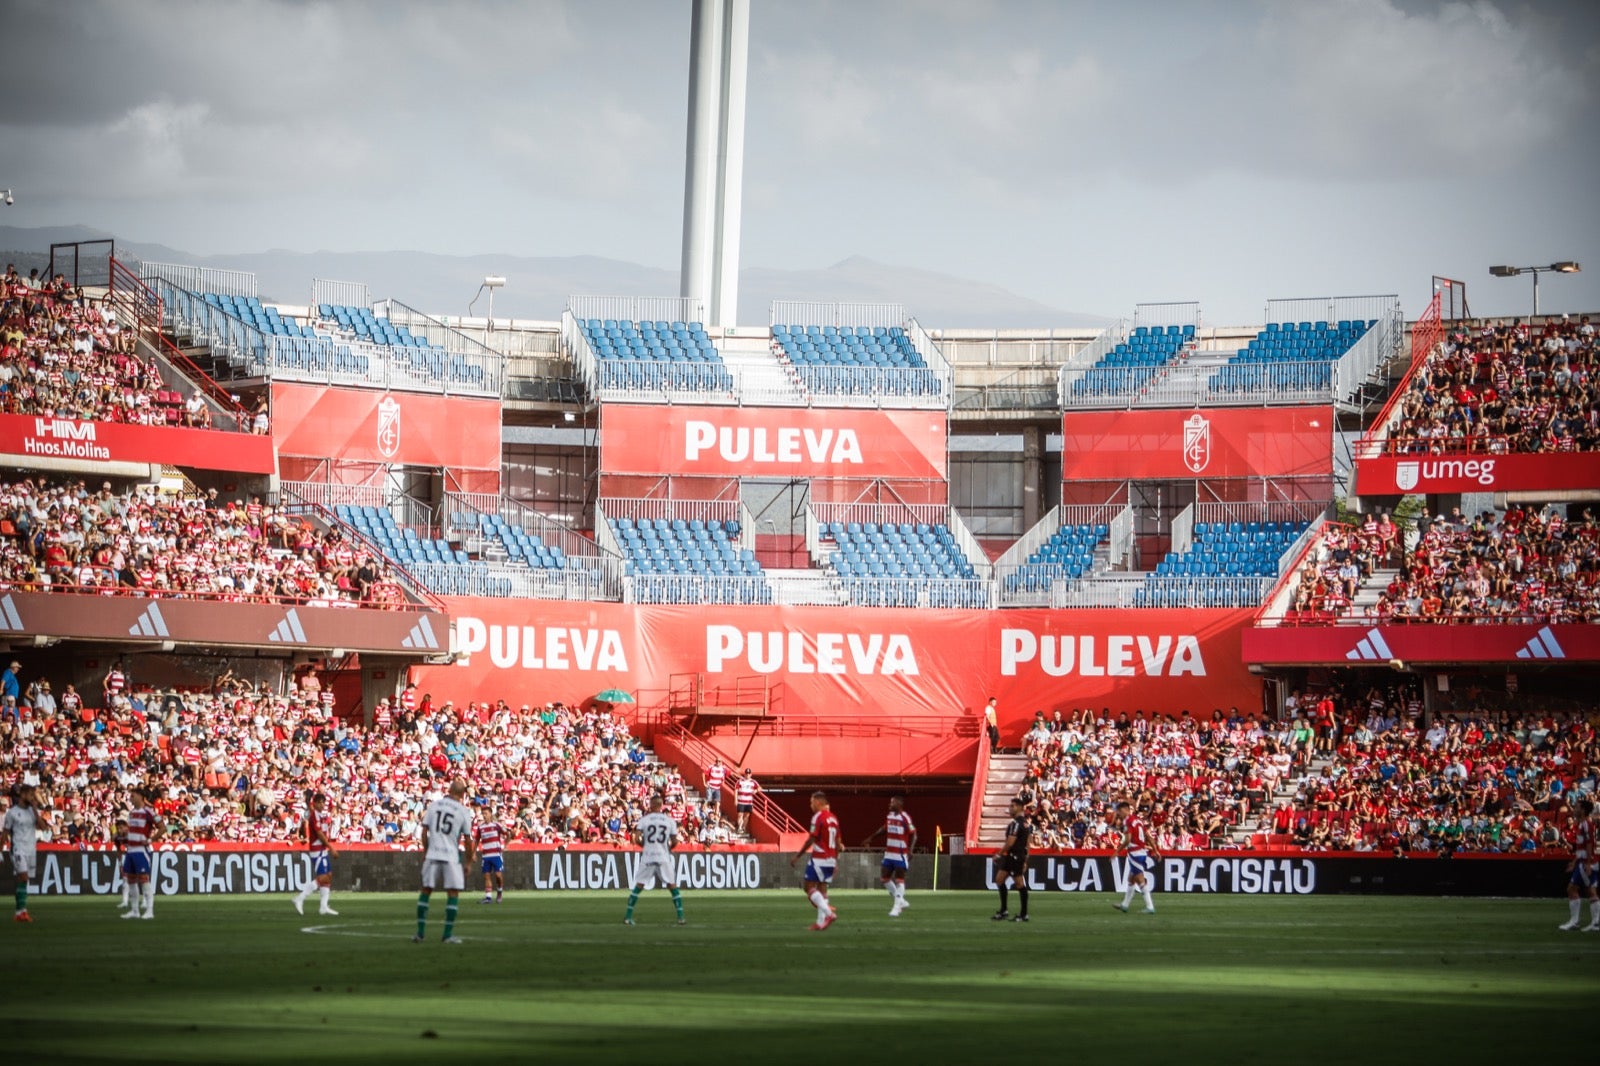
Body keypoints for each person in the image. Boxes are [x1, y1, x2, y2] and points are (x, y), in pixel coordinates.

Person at [415, 778, 475, 943]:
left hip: (433, 853)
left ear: (449, 790)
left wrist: (426, 851)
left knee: (426, 890)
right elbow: (468, 840)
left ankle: (420, 933)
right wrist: (469, 862)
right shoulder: (463, 811)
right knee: (453, 892)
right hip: (450, 855)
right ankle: (447, 935)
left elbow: (424, 831)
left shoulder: (434, 806)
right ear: (463, 794)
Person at [624, 795, 686, 926]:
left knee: (639, 886)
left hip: (648, 855)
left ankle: (628, 916)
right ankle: (681, 917)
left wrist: (644, 846)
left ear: (651, 805)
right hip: (663, 856)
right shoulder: (669, 821)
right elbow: (675, 841)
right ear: (662, 805)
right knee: (672, 885)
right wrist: (668, 848)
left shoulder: (644, 820)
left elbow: (635, 838)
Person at [791, 790, 840, 931]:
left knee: (808, 887)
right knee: (822, 889)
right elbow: (838, 842)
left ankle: (829, 914)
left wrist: (798, 856)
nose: (810, 805)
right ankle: (820, 922)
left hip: (820, 858)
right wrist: (835, 861)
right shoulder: (834, 818)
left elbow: (812, 838)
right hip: (830, 859)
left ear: (818, 803)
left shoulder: (818, 817)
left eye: (812, 802)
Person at [3, 783, 52, 922]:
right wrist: (1, 851)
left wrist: (36, 811)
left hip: (30, 849)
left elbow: (44, 828)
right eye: (30, 795)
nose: (32, 798)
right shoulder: (12, 812)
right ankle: (21, 911)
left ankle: (20, 912)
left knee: (23, 881)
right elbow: (5, 833)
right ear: (23, 794)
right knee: (23, 877)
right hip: (17, 848)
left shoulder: (32, 811)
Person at [862, 796, 917, 917]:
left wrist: (910, 850)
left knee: (899, 880)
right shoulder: (890, 816)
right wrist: (871, 838)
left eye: (892, 802)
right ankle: (901, 901)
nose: (890, 804)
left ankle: (896, 908)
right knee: (884, 878)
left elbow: (914, 834)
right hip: (889, 854)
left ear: (899, 804)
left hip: (900, 854)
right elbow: (883, 829)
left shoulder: (905, 818)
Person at [291, 792, 338, 916]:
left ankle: (323, 906)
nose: (322, 805)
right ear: (315, 803)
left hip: (322, 849)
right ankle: (300, 898)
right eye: (320, 802)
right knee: (322, 877)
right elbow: (320, 835)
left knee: (328, 876)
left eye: (324, 802)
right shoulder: (314, 817)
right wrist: (331, 847)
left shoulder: (321, 816)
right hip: (317, 850)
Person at [1112, 800, 1160, 914]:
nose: (1119, 813)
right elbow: (1148, 836)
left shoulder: (1128, 821)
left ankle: (1150, 906)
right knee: (1131, 879)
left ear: (1126, 810)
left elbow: (1128, 839)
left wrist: (1117, 851)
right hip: (1142, 852)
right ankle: (1124, 905)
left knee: (1140, 879)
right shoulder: (1138, 820)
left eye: (1120, 811)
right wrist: (1155, 850)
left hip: (1135, 852)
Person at [121, 787, 160, 920]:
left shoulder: (149, 812)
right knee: (131, 881)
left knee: (144, 880)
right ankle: (135, 911)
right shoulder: (131, 813)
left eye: (133, 796)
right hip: (130, 850)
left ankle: (149, 911)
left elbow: (163, 828)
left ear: (140, 796)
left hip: (140, 851)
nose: (131, 798)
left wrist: (150, 840)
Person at [1560, 798, 1598, 932]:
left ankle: (1577, 922)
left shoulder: (1586, 824)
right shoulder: (1582, 824)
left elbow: (1589, 844)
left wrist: (1587, 862)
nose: (1574, 809)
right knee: (1588, 890)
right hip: (1582, 862)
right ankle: (1593, 922)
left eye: (1577, 807)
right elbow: (1582, 847)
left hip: (1586, 863)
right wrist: (1574, 862)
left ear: (1582, 810)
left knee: (1573, 889)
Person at [992, 797, 1031, 922]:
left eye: (1013, 806)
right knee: (999, 879)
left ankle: (1024, 914)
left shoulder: (1016, 824)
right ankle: (1004, 910)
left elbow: (1010, 842)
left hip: (1015, 856)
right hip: (1014, 856)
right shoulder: (1026, 824)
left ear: (1020, 808)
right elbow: (1028, 844)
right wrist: (1026, 859)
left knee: (1019, 883)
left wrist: (999, 854)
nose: (1010, 808)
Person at [476, 806, 505, 904]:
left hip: (496, 854)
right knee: (487, 876)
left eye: (486, 813)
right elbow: (476, 840)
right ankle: (488, 898)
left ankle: (499, 891)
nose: (484, 815)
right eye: (483, 813)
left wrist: (506, 845)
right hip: (486, 855)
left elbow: (507, 834)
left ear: (490, 814)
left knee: (498, 875)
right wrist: (473, 853)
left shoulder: (496, 825)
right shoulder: (481, 827)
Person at [734, 768, 758, 835]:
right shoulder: (740, 781)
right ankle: (740, 828)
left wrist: (756, 790)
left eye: (749, 773)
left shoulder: (753, 782)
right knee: (740, 815)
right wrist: (735, 799)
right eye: (746, 773)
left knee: (747, 815)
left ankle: (744, 828)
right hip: (741, 801)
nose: (747, 774)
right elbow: (736, 790)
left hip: (749, 802)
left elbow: (759, 787)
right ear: (744, 774)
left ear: (751, 774)